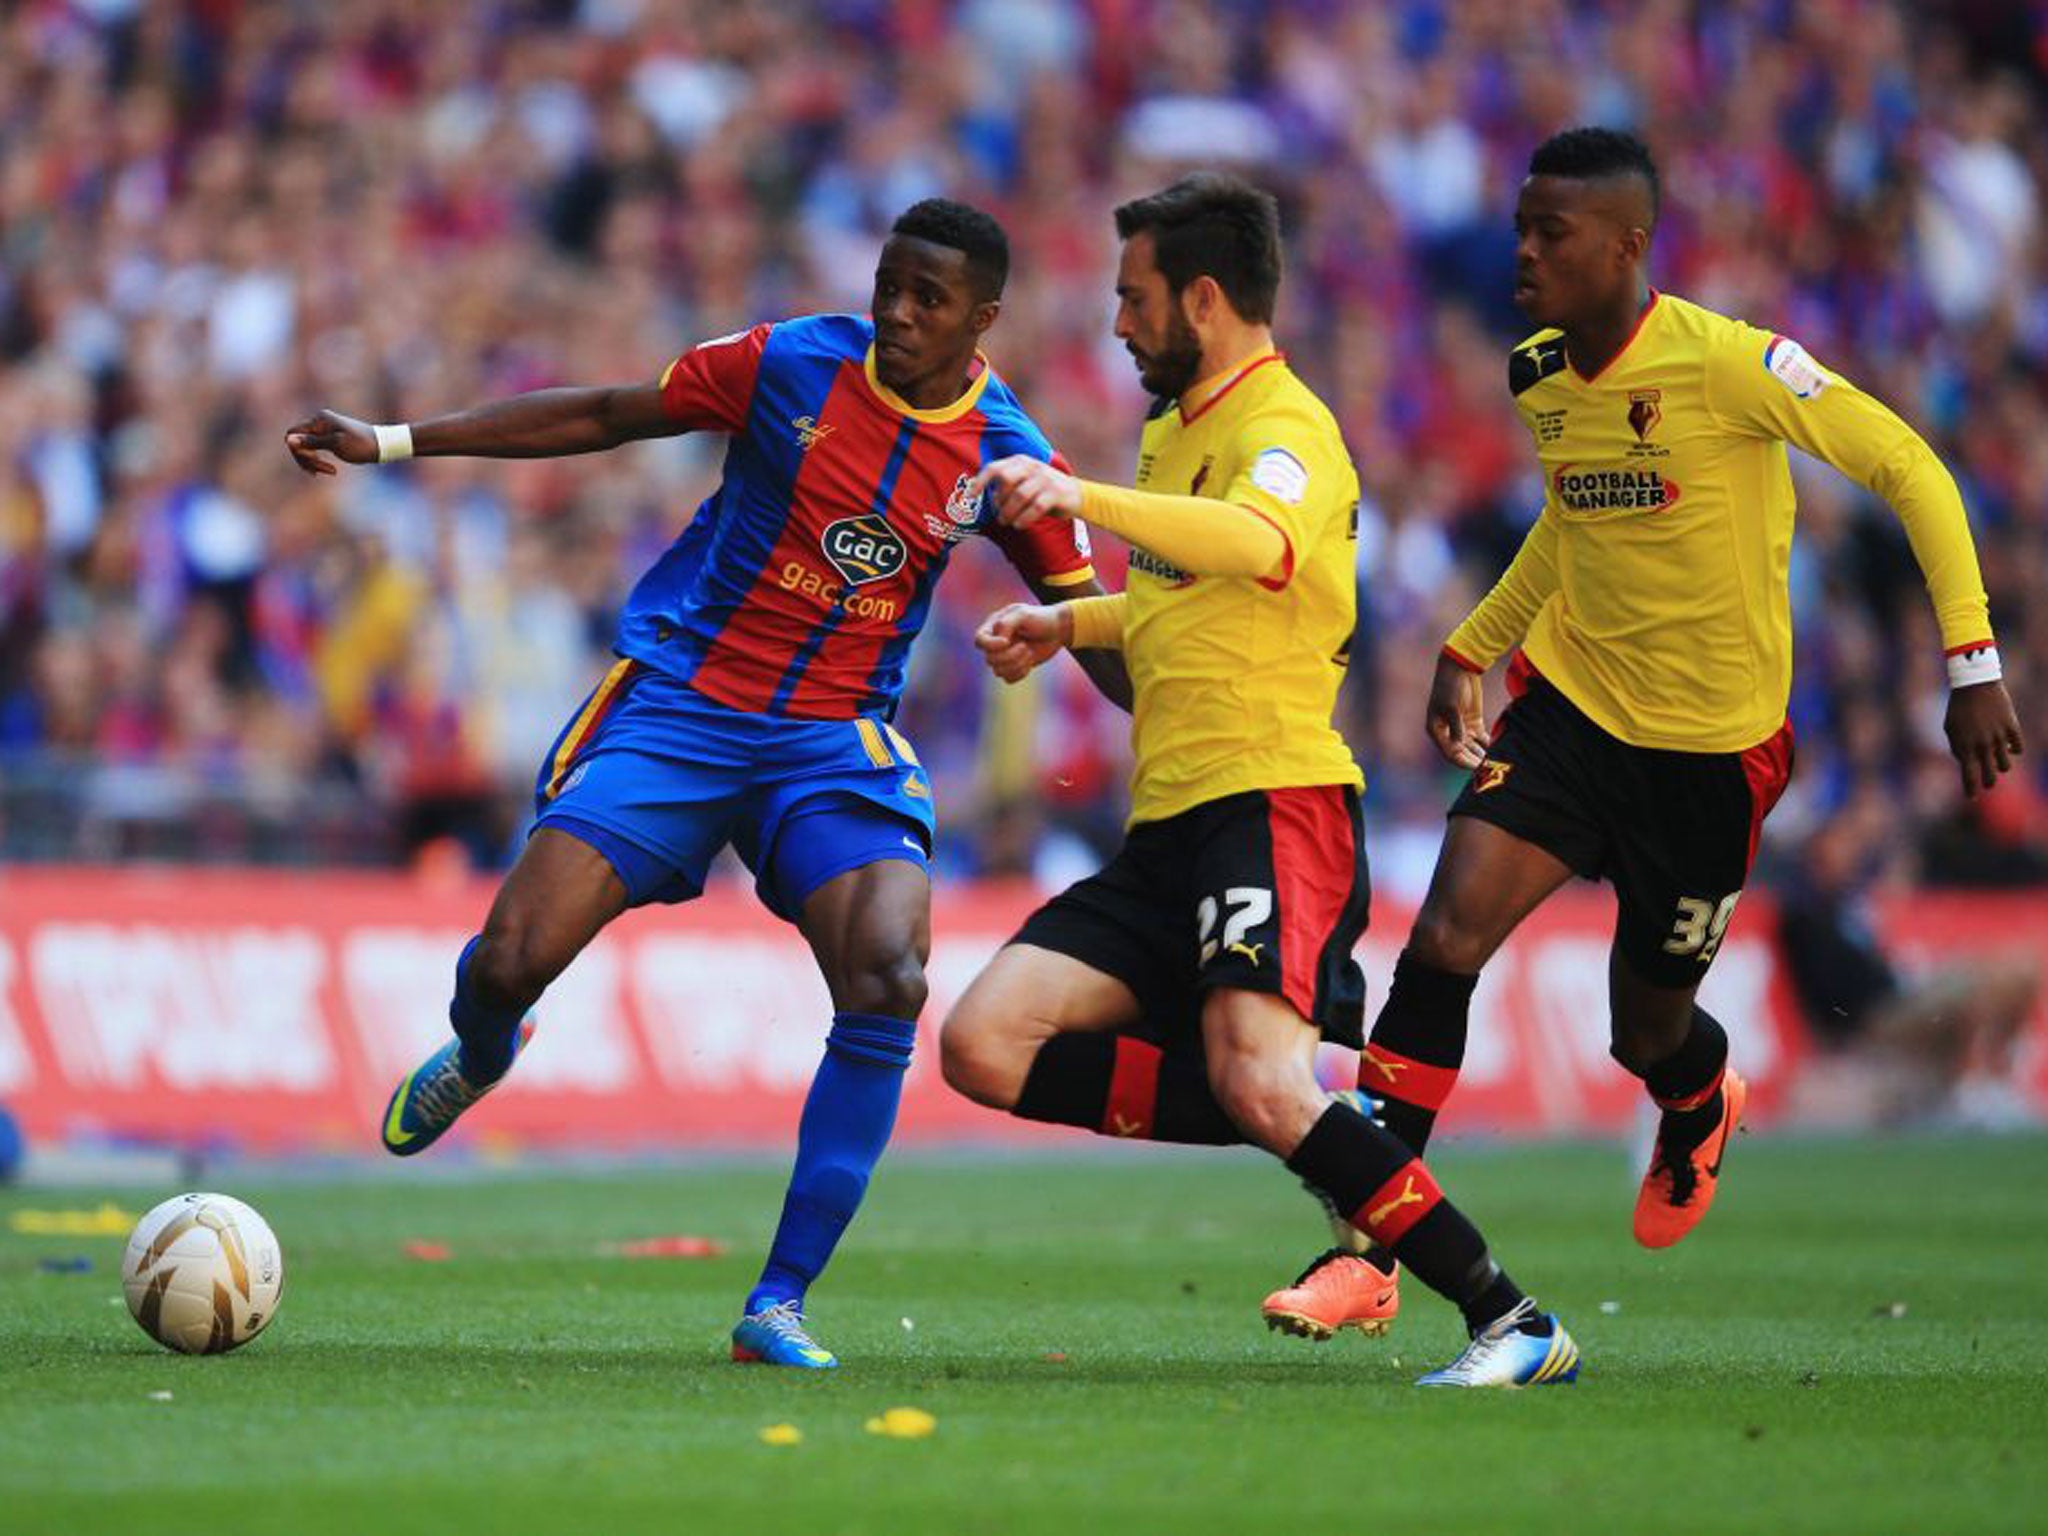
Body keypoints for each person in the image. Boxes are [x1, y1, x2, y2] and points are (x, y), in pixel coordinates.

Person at [285, 199, 1124, 1370]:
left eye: (926, 299)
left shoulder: (1007, 457)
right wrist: (392, 441)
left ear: (981, 319)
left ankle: (777, 1301)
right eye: (888, 282)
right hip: (682, 703)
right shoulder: (785, 362)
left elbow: (1092, 628)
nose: (894, 310)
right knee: (510, 957)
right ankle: (482, 1048)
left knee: (889, 975)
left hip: (829, 742)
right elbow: (606, 412)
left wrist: (1171, 673)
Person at [1260, 126, 2026, 1341]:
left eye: (1547, 233)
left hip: (1711, 755)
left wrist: (1970, 660)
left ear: (1624, 245)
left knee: (1643, 1028)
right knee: (1446, 933)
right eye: (1517, 227)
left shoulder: (1733, 367)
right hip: (1570, 714)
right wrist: (1474, 641)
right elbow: (1570, 527)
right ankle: (1369, 1251)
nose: (1520, 251)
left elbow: (1910, 467)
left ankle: (1694, 1097)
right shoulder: (1540, 377)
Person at [940, 173, 1579, 1388]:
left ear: (1202, 297)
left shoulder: (1284, 427)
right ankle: (1315, 1116)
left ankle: (1513, 1319)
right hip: (1166, 824)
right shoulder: (1174, 429)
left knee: (1250, 1075)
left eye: (1131, 299)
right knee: (984, 1041)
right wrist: (1071, 630)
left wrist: (1076, 493)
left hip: (1271, 802)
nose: (1115, 323)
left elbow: (1260, 542)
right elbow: (1192, 591)